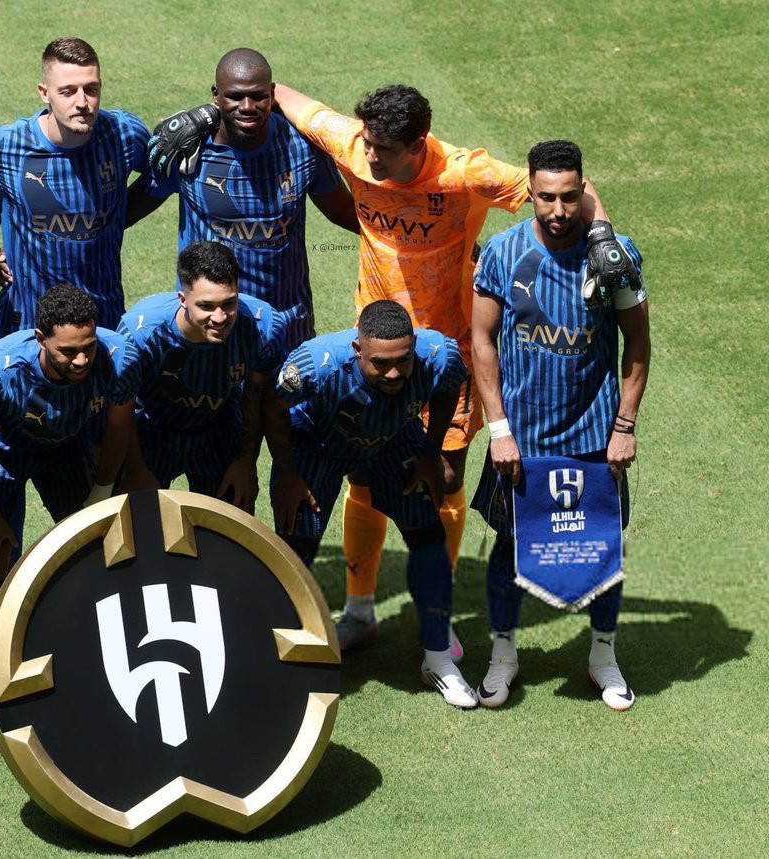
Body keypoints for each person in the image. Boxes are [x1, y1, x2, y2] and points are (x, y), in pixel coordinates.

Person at [270, 81, 633, 655]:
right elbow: (279, 95)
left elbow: (571, 189)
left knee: (441, 478)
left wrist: (603, 235)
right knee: (363, 476)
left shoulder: (465, 173)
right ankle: (359, 610)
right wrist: (208, 114)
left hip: (448, 357)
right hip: (375, 356)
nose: (369, 157)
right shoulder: (354, 142)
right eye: (367, 144)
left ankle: (435, 615)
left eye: (383, 151)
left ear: (417, 145)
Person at [469, 139, 649, 710]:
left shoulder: (616, 256)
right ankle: (503, 655)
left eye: (569, 196)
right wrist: (498, 429)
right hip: (521, 440)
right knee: (507, 546)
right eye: (546, 197)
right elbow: (481, 341)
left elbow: (637, 342)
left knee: (603, 547)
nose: (558, 210)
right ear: (530, 193)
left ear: (582, 191)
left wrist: (624, 426)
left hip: (594, 438)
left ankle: (603, 656)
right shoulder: (502, 253)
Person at [270, 300, 478, 708]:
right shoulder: (313, 364)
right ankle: (284, 658)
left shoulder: (439, 354)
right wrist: (289, 473)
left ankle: (438, 659)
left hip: (393, 440)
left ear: (414, 346)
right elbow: (273, 406)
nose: (394, 373)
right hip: (319, 444)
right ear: (357, 350)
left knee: (428, 535)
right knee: (296, 549)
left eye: (402, 361)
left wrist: (429, 452)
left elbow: (448, 386)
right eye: (380, 364)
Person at [0, 284, 142, 741]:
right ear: (40, 338)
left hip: (63, 449)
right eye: (68, 352)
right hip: (0, 454)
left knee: (100, 552)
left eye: (88, 348)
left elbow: (120, 424)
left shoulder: (119, 356)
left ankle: (94, 662)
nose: (81, 361)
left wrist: (102, 492)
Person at [133, 48, 357, 352]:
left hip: (288, 322)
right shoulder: (188, 152)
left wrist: (406, 232)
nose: (248, 107)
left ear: (273, 94)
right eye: (235, 97)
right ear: (216, 96)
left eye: (258, 96)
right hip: (212, 323)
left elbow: (343, 211)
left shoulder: (301, 147)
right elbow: (125, 211)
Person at [0, 37, 150, 338]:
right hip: (27, 325)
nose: (82, 102)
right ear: (44, 93)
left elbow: (161, 178)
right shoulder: (3, 146)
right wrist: (13, 220)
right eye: (68, 91)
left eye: (91, 89)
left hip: (102, 320)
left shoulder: (124, 134)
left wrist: (117, 216)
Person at [117, 241, 286, 510]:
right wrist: (135, 469)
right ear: (182, 300)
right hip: (153, 432)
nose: (219, 317)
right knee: (139, 525)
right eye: (206, 306)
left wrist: (245, 462)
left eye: (229, 303)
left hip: (218, 430)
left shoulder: (264, 326)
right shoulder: (139, 333)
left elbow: (256, 395)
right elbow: (121, 407)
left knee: (230, 526)